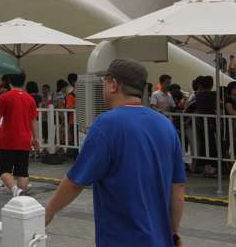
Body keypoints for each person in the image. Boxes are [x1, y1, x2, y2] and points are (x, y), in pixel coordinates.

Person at [45, 59, 185, 247]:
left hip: (121, 240)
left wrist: (49, 211)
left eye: (104, 81)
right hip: (160, 240)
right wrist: (173, 232)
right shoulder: (165, 125)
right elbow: (178, 188)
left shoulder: (107, 124)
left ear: (113, 84)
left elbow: (75, 181)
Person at [0, 72, 39, 197]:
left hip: (7, 139)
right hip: (25, 139)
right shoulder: (30, 99)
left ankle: (15, 190)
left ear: (9, 81)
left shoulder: (4, 97)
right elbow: (33, 121)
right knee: (22, 172)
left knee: (4, 169)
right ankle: (21, 193)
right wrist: (36, 138)